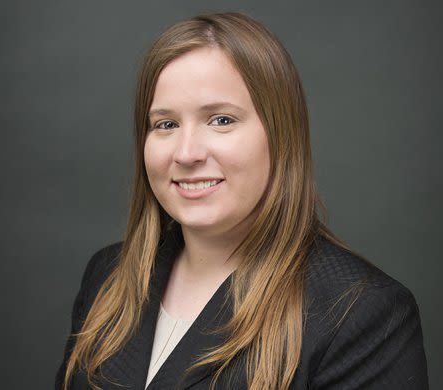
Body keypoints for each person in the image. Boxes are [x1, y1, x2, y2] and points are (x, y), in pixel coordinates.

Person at [55, 11, 429, 390]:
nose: (186, 153)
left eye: (221, 120)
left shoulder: (360, 313)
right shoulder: (108, 275)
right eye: (165, 124)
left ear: (281, 134)